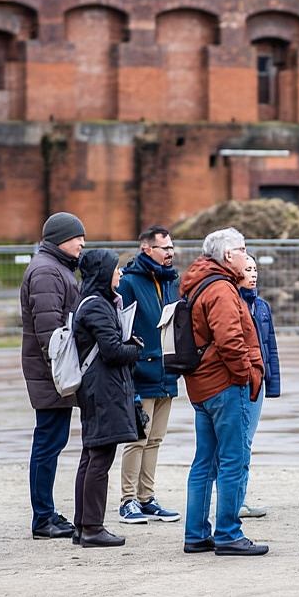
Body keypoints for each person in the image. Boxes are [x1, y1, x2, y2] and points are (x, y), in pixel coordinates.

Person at [179, 227, 269, 556]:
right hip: (226, 386)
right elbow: (230, 339)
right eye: (244, 250)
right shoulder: (221, 289)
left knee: (205, 462)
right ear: (229, 256)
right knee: (234, 460)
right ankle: (229, 533)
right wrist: (246, 375)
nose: (247, 256)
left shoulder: (198, 282)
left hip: (202, 385)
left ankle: (196, 533)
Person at [19, 211, 86, 539]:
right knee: (48, 441)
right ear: (60, 238)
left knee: (52, 440)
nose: (82, 243)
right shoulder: (47, 271)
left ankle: (46, 513)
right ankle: (43, 517)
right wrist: (62, 373)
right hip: (51, 373)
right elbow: (50, 333)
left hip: (52, 371)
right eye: (77, 237)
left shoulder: (55, 267)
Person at [71, 248, 141, 548]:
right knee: (99, 458)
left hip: (96, 389)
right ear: (102, 273)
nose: (120, 273)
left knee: (91, 456)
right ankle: (92, 528)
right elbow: (112, 351)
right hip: (103, 390)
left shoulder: (91, 302)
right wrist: (135, 349)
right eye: (116, 269)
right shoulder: (97, 306)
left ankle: (83, 525)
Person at [116, 225, 181, 526]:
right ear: (146, 249)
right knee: (137, 439)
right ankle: (128, 500)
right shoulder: (129, 282)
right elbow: (123, 326)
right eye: (164, 248)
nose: (170, 253)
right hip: (141, 369)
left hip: (167, 369)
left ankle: (147, 497)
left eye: (171, 248)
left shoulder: (170, 281)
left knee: (155, 439)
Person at [237, 252, 280, 519]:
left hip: (259, 381)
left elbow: (270, 347)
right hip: (241, 379)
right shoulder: (232, 303)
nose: (253, 274)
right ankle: (233, 501)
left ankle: (240, 497)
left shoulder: (262, 306)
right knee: (237, 443)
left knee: (247, 441)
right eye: (247, 269)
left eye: (255, 269)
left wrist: (272, 382)